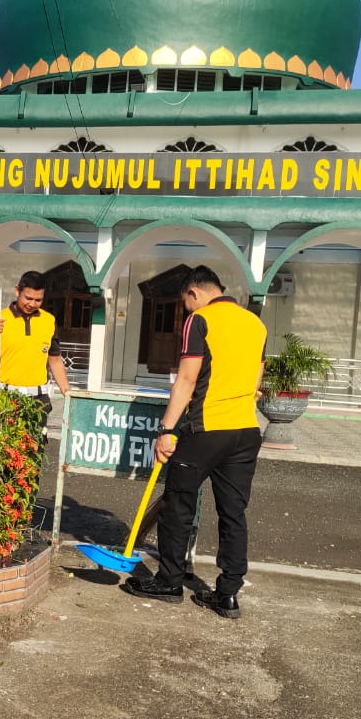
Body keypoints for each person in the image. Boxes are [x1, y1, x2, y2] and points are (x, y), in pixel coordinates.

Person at [121, 265, 267, 620]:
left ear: (194, 293)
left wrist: (167, 430)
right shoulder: (255, 323)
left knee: (178, 504)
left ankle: (169, 581)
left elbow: (186, 380)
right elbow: (258, 376)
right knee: (234, 513)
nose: (187, 310)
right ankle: (228, 594)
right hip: (246, 430)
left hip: (206, 429)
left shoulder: (200, 320)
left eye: (187, 303)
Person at [0, 270, 73, 431]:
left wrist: (68, 394)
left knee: (34, 452)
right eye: (28, 298)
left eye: (38, 300)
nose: (32, 304)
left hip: (38, 402)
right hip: (4, 399)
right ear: (17, 291)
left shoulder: (49, 321)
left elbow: (54, 360)